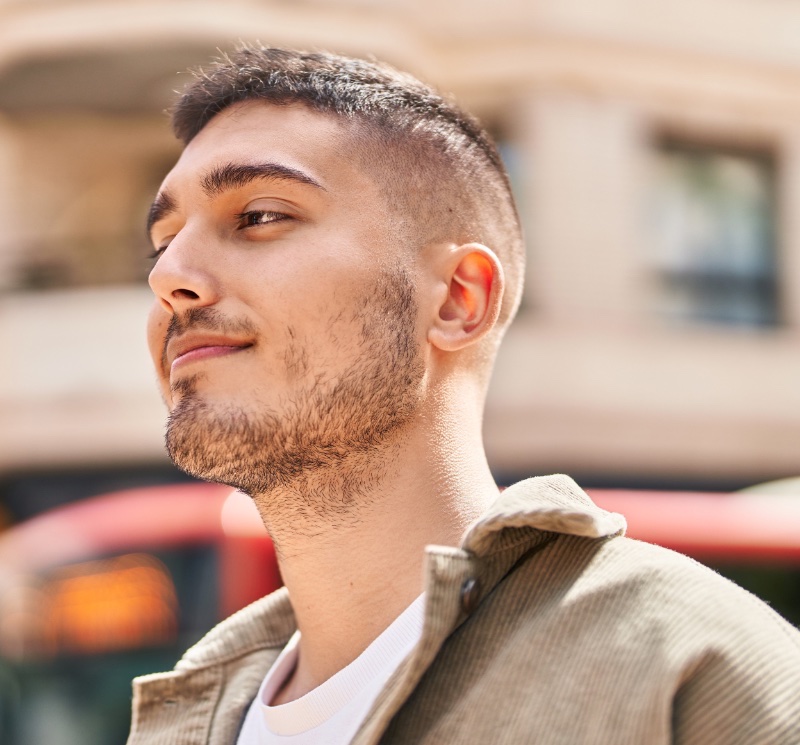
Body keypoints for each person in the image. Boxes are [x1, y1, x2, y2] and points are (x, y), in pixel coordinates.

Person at [129, 45, 800, 745]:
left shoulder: (688, 666)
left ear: (457, 298)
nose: (169, 276)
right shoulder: (187, 721)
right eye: (162, 241)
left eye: (260, 215)